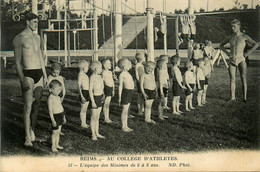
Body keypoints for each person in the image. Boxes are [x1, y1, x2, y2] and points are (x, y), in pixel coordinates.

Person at [13, 12, 48, 146]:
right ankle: (27, 137)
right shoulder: (19, 38)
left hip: (39, 73)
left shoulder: (37, 37)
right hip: (27, 74)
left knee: (37, 105)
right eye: (34, 22)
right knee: (27, 106)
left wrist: (45, 76)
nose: (36, 24)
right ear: (27, 22)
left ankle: (32, 130)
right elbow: (17, 62)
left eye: (37, 22)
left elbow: (40, 56)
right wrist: (22, 80)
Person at [220, 19, 259, 102]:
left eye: (234, 26)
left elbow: (256, 44)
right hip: (232, 59)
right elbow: (221, 45)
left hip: (241, 59)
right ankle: (232, 97)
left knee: (243, 78)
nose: (232, 28)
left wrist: (248, 52)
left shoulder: (244, 37)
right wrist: (227, 53)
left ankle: (244, 97)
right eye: (231, 26)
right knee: (232, 79)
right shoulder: (230, 37)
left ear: (239, 26)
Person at [48, 80, 66, 152]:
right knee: (54, 132)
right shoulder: (50, 98)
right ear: (51, 89)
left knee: (58, 132)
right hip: (55, 117)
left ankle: (57, 144)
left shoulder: (58, 97)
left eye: (60, 90)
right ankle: (53, 146)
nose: (59, 92)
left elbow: (61, 107)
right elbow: (50, 111)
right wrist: (53, 120)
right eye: (58, 90)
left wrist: (64, 116)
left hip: (60, 115)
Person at [89, 61, 105, 140]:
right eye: (100, 68)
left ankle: (97, 132)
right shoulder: (92, 77)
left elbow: (102, 87)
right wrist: (92, 101)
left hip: (100, 97)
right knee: (93, 117)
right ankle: (93, 134)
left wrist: (103, 94)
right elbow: (90, 90)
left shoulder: (99, 76)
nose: (102, 69)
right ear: (96, 69)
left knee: (97, 117)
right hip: (94, 98)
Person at [118, 59, 134, 132]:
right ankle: (123, 126)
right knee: (124, 110)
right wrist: (119, 97)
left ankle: (126, 125)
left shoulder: (127, 73)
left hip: (130, 92)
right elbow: (120, 86)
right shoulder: (122, 74)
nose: (130, 66)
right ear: (124, 67)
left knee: (126, 110)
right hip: (126, 92)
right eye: (128, 64)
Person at [78, 60, 90, 128]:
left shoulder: (85, 75)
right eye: (87, 67)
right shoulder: (80, 75)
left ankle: (84, 122)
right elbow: (79, 86)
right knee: (83, 109)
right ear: (83, 68)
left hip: (87, 91)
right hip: (83, 92)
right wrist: (81, 96)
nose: (88, 68)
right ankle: (83, 123)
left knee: (85, 109)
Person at [102, 59, 114, 124]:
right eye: (109, 64)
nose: (110, 65)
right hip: (106, 88)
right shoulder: (103, 73)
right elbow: (102, 82)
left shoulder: (110, 72)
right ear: (104, 65)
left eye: (110, 63)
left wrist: (113, 89)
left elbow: (112, 81)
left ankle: (107, 117)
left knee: (108, 104)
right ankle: (105, 118)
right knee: (106, 104)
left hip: (110, 88)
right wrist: (103, 92)